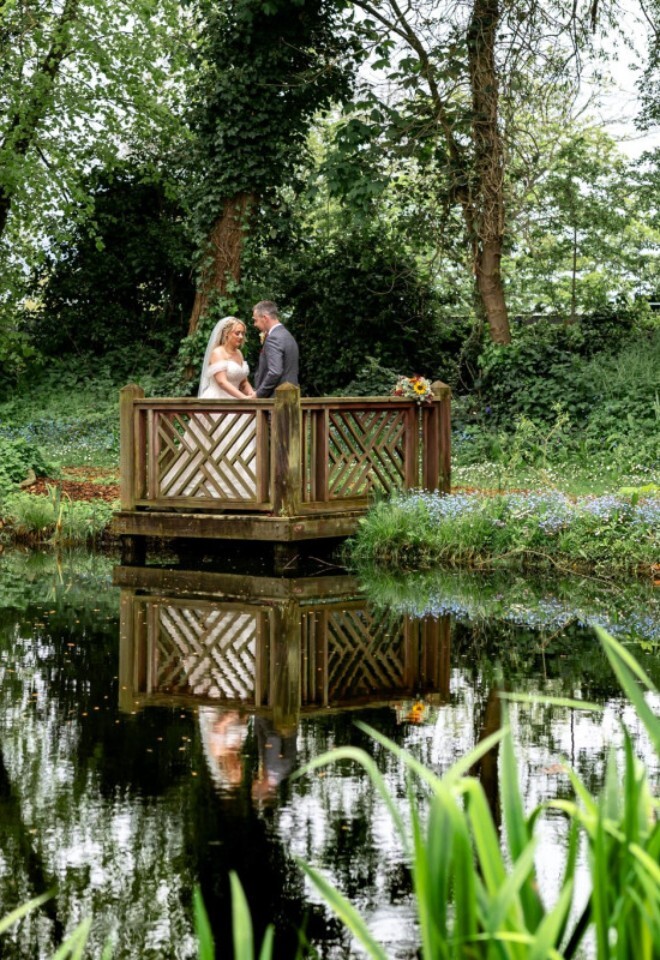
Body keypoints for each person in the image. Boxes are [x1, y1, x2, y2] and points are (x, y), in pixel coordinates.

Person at [161, 316, 257, 498]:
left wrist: (251, 394)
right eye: (237, 333)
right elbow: (221, 382)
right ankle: (200, 486)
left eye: (243, 333)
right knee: (214, 444)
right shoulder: (217, 353)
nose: (241, 337)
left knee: (238, 445)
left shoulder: (239, 355)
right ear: (226, 334)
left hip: (239, 403)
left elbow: (242, 380)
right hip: (218, 402)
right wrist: (243, 399)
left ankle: (243, 489)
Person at [252, 301, 299, 398]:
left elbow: (275, 372)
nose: (254, 324)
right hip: (290, 397)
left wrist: (258, 394)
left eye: (256, 320)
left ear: (265, 318)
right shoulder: (287, 335)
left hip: (276, 401)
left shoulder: (274, 338)